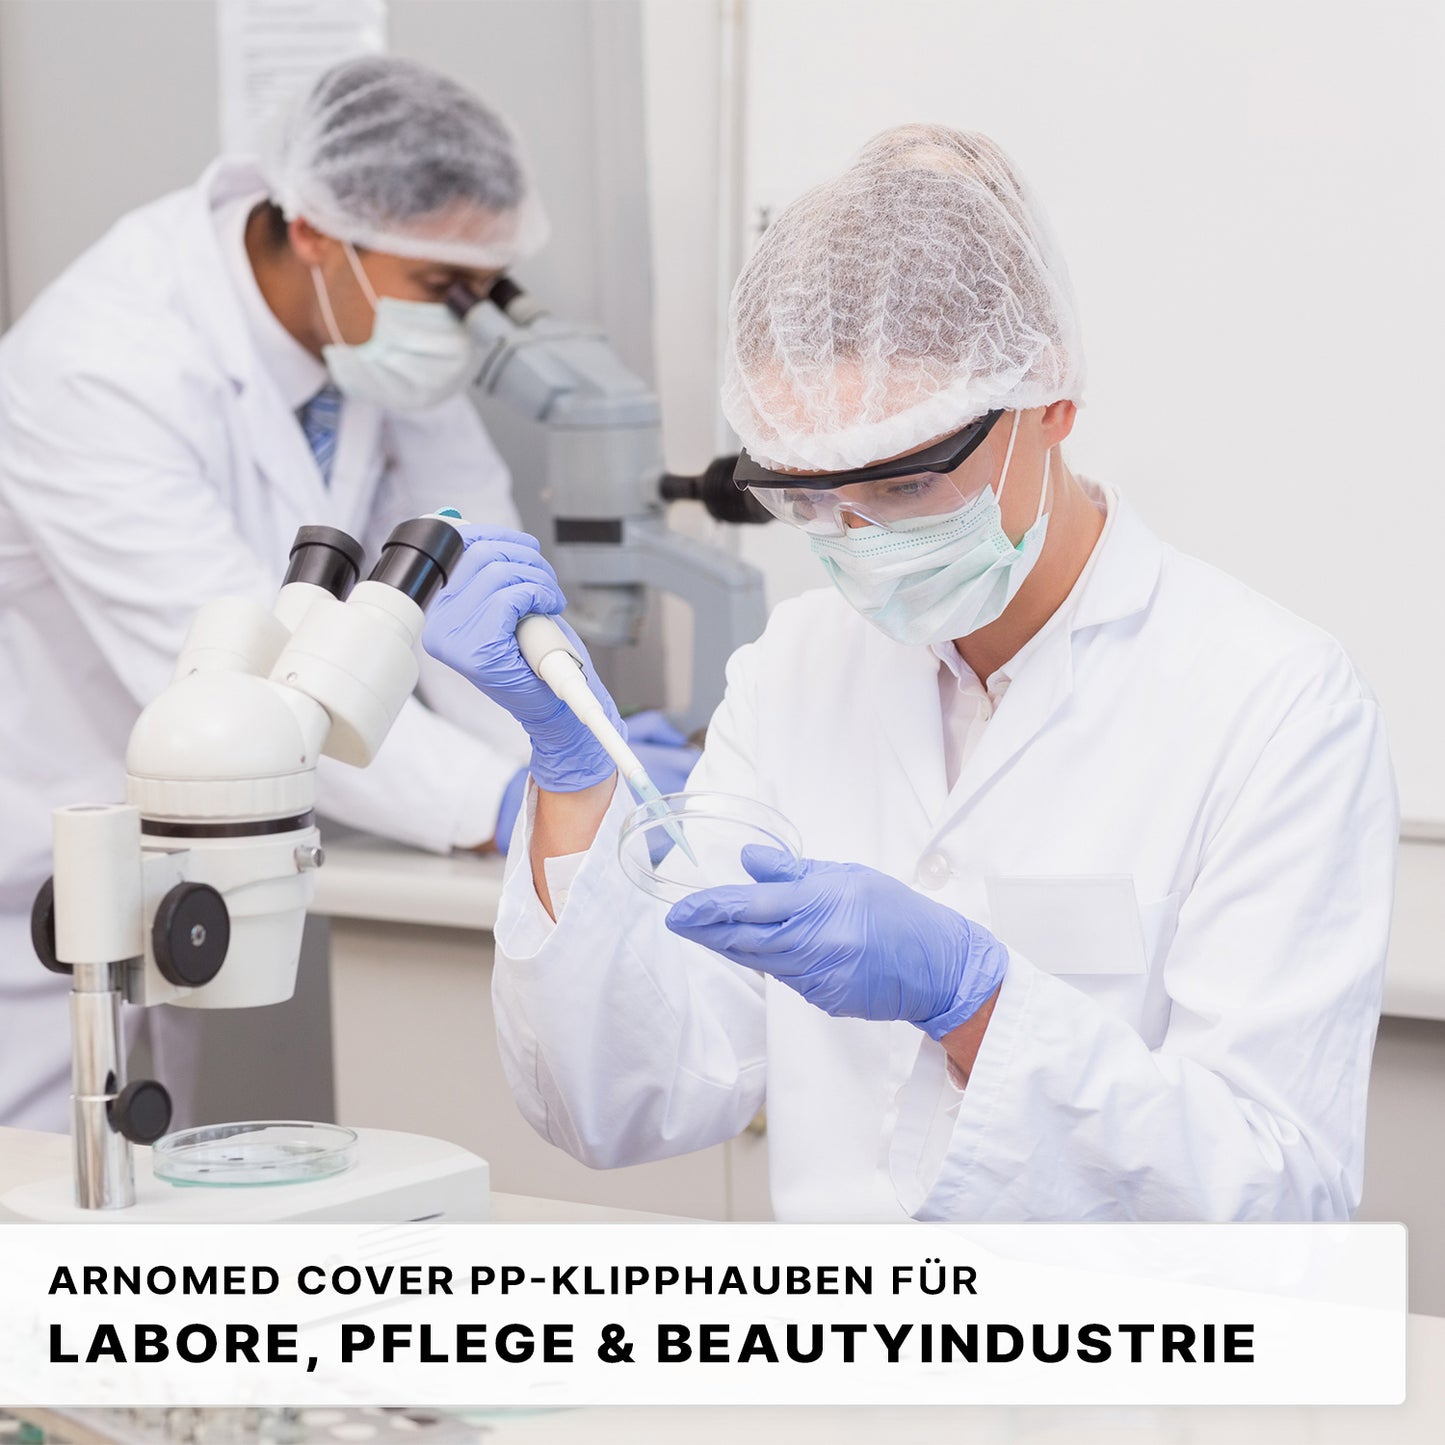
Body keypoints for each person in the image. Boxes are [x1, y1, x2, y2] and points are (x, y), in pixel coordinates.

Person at [427, 124, 1397, 1222]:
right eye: (807, 495)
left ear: (1049, 406)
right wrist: (572, 780)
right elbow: (628, 1096)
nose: (853, 536)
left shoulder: (1271, 703)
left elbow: (1279, 1197)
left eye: (899, 486)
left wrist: (975, 1002)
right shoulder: (796, 666)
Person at [0, 55, 695, 1130]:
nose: (463, 321)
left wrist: (570, 738)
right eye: (444, 288)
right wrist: (503, 803)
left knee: (134, 1186)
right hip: (34, 903)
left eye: (481, 290)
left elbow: (470, 583)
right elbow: (258, 699)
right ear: (320, 232)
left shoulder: (366, 336)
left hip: (177, 872)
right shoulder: (99, 366)